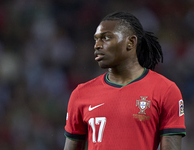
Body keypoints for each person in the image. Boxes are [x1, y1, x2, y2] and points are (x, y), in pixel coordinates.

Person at [64, 11, 186, 150]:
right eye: (96, 39)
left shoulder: (165, 90)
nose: (97, 45)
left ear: (131, 42)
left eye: (106, 38)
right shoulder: (81, 94)